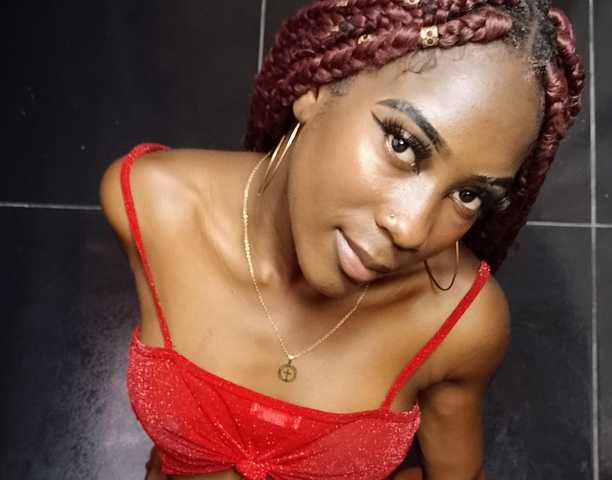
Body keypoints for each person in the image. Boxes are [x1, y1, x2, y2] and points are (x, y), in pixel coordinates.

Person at [99, 0, 584, 479]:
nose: (411, 229)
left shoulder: (460, 324)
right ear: (317, 87)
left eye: (468, 194)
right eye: (402, 143)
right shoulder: (147, 203)